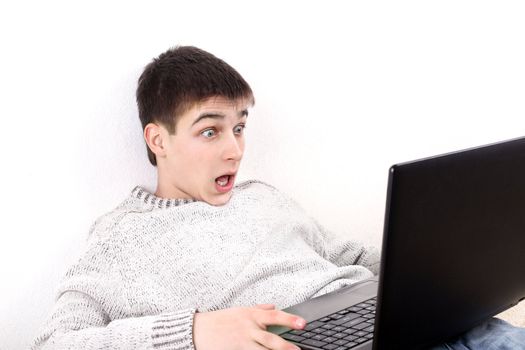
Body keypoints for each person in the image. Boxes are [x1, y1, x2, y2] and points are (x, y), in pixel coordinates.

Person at [31, 46, 523, 350]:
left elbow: (350, 258)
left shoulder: (264, 196)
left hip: (416, 326)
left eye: (240, 127)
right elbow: (53, 344)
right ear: (158, 140)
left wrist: (442, 274)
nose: (235, 149)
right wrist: (195, 333)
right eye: (210, 132)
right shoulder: (119, 239)